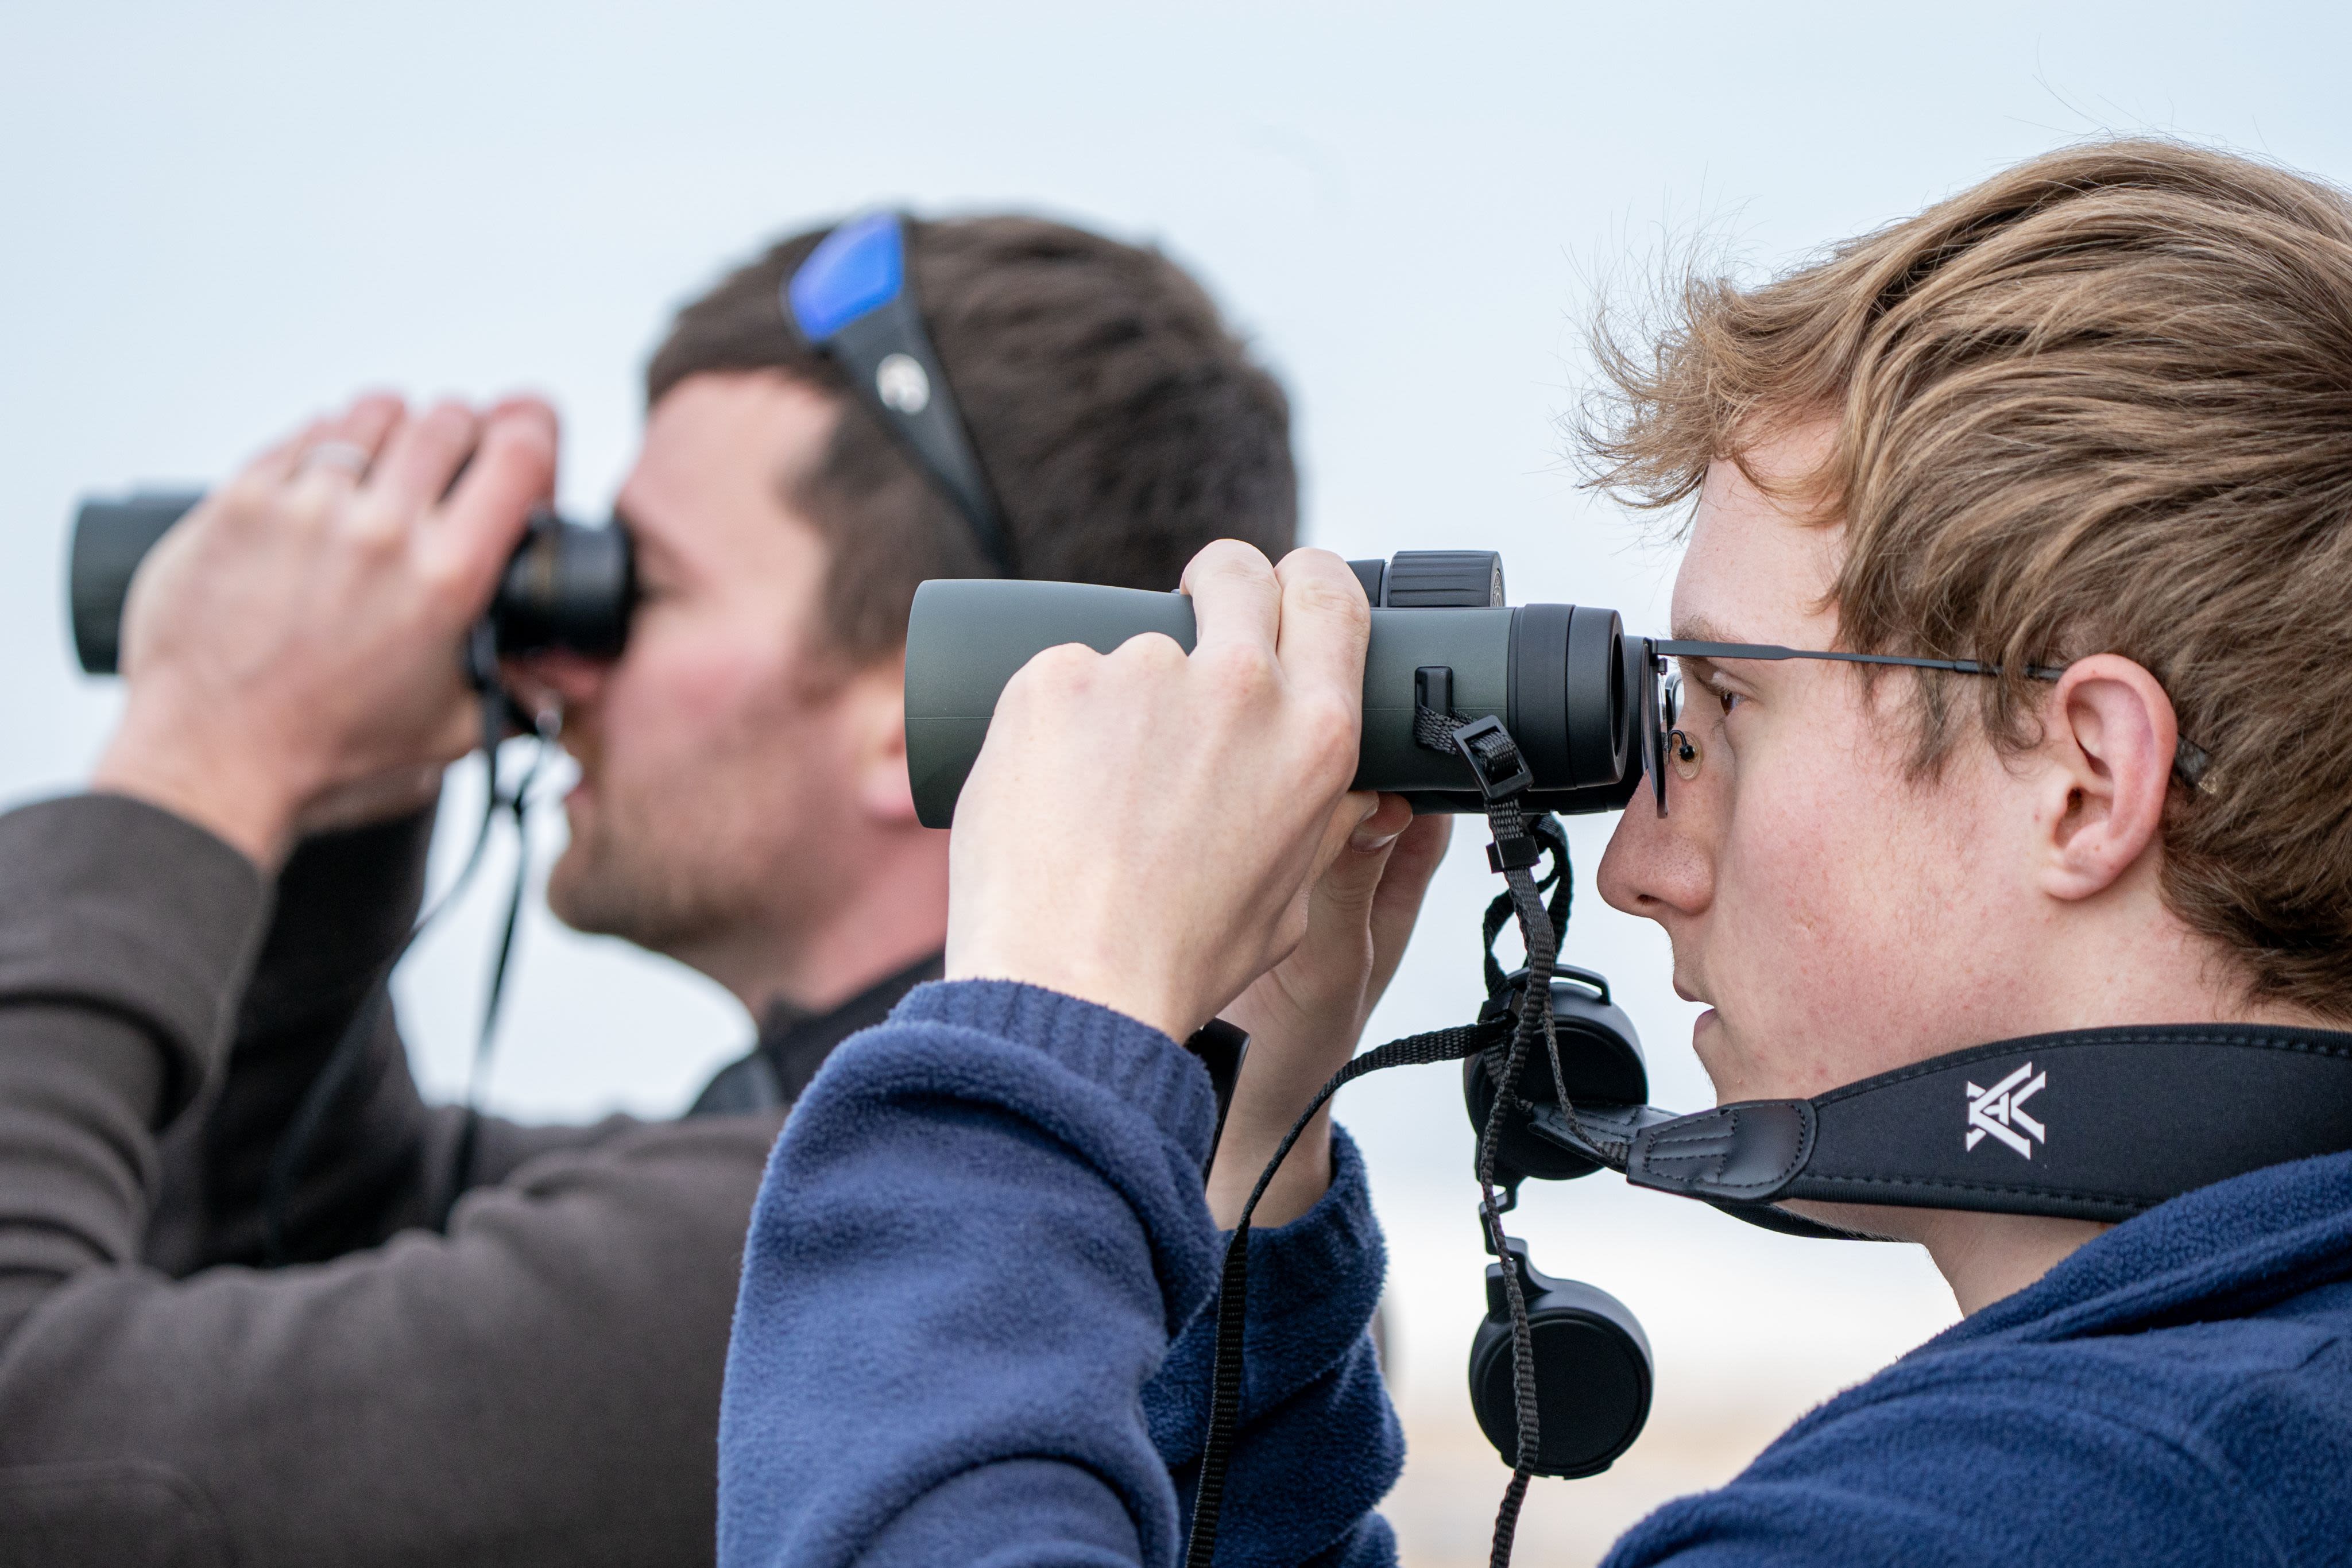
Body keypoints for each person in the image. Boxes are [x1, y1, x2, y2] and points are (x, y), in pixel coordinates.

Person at [713, 139, 2352, 1567]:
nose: (1637, 859)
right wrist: (1248, 1165)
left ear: (2083, 778)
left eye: (1715, 710)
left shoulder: (2017, 1513)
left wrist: (1035, 1047)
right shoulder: (2256, 1406)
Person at [0, 214, 1430, 1567]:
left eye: (647, 588)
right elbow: (308, 1224)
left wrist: (203, 751)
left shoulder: (881, 1242)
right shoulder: (1047, 1198)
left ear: (935, 695)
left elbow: (47, 1450)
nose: (555, 663)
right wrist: (340, 798)